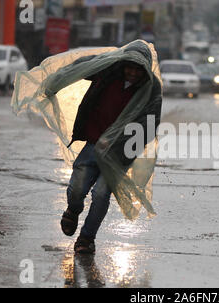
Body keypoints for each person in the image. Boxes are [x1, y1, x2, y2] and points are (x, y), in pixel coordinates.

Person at [60, 44, 163, 254]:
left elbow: (149, 125)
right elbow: (81, 67)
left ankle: (87, 239)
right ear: (123, 64)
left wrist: (118, 141)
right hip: (92, 144)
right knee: (77, 189)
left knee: (100, 194)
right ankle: (73, 210)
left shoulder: (151, 88)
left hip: (118, 155)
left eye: (138, 69)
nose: (133, 73)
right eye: (130, 67)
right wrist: (107, 58)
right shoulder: (108, 72)